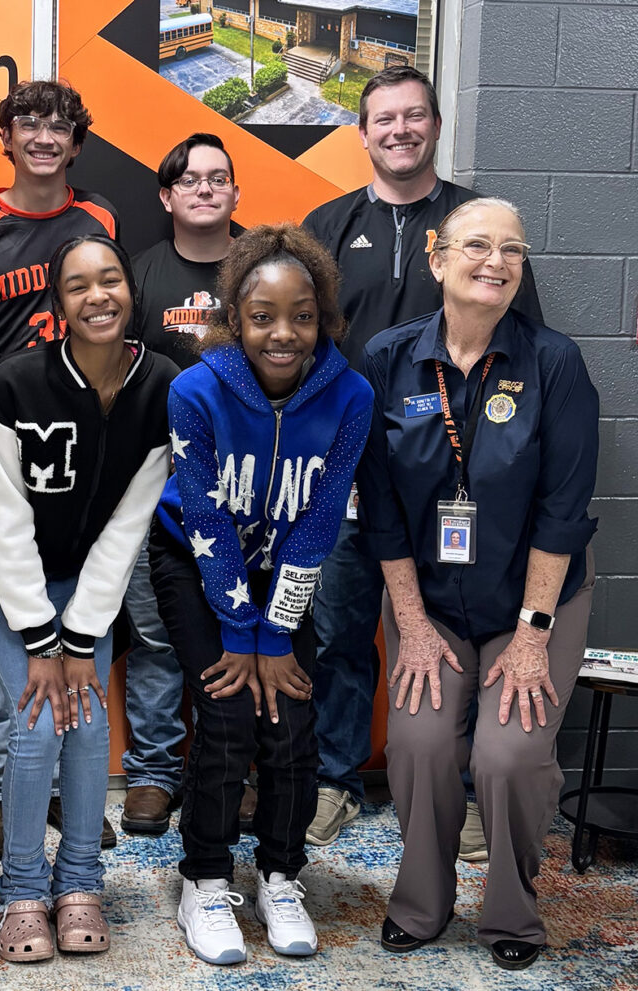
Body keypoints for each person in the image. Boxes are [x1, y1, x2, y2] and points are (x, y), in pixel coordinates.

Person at [302, 65, 543, 856]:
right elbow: (301, 345)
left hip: (454, 483)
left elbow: (525, 348)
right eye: (384, 119)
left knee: (458, 633)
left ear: (436, 125)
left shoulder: (479, 224)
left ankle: (460, 791)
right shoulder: (328, 224)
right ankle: (335, 779)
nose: (400, 130)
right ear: (362, 133)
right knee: (339, 633)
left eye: (414, 116)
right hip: (348, 472)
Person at [357, 198, 598, 970]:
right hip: (427, 598)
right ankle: (421, 904)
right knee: (419, 742)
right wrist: (411, 621)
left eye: (513, 250)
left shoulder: (553, 362)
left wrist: (531, 634)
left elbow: (564, 510)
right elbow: (381, 508)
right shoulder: (388, 358)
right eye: (478, 245)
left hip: (535, 600)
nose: (496, 261)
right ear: (437, 259)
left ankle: (512, 912)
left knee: (510, 755)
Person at [149, 223, 373, 965]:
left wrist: (273, 634)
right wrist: (240, 631)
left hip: (286, 570)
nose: (284, 334)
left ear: (323, 317)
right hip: (196, 562)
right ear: (235, 319)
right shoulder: (195, 390)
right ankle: (206, 879)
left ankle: (280, 874)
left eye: (302, 316)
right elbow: (206, 516)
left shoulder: (351, 395)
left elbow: (320, 520)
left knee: (289, 718)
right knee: (225, 714)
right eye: (263, 316)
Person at [0, 235, 175, 961]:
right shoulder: (15, 382)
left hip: (88, 575)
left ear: (130, 292)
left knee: (83, 717)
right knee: (39, 715)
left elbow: (129, 526)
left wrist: (79, 636)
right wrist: (42, 639)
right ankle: (20, 890)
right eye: (78, 285)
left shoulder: (162, 384)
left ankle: (79, 880)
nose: (97, 296)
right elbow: (2, 518)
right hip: (2, 567)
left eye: (110, 279)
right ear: (58, 304)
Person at [0, 79, 119, 861]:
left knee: (76, 624)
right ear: (8, 137)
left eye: (60, 126)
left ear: (76, 143)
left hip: (82, 452)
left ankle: (62, 786)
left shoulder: (100, 219)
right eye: (29, 124)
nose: (44, 137)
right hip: (3, 445)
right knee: (6, 650)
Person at [121, 132, 241, 835]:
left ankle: (236, 769)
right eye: (189, 179)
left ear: (235, 192)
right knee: (158, 634)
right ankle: (153, 773)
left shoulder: (265, 268)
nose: (204, 188)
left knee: (242, 626)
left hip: (249, 483)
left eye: (217, 177)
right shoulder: (138, 276)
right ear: (166, 196)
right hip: (156, 481)